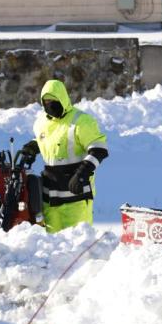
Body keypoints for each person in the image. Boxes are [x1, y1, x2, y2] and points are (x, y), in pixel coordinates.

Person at [20, 79, 109, 233]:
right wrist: (33, 147)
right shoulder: (41, 123)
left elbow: (99, 148)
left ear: (62, 98)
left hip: (76, 199)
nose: (49, 105)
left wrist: (82, 173)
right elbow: (48, 138)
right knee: (53, 248)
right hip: (50, 202)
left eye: (53, 100)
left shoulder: (81, 121)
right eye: (45, 101)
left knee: (77, 245)